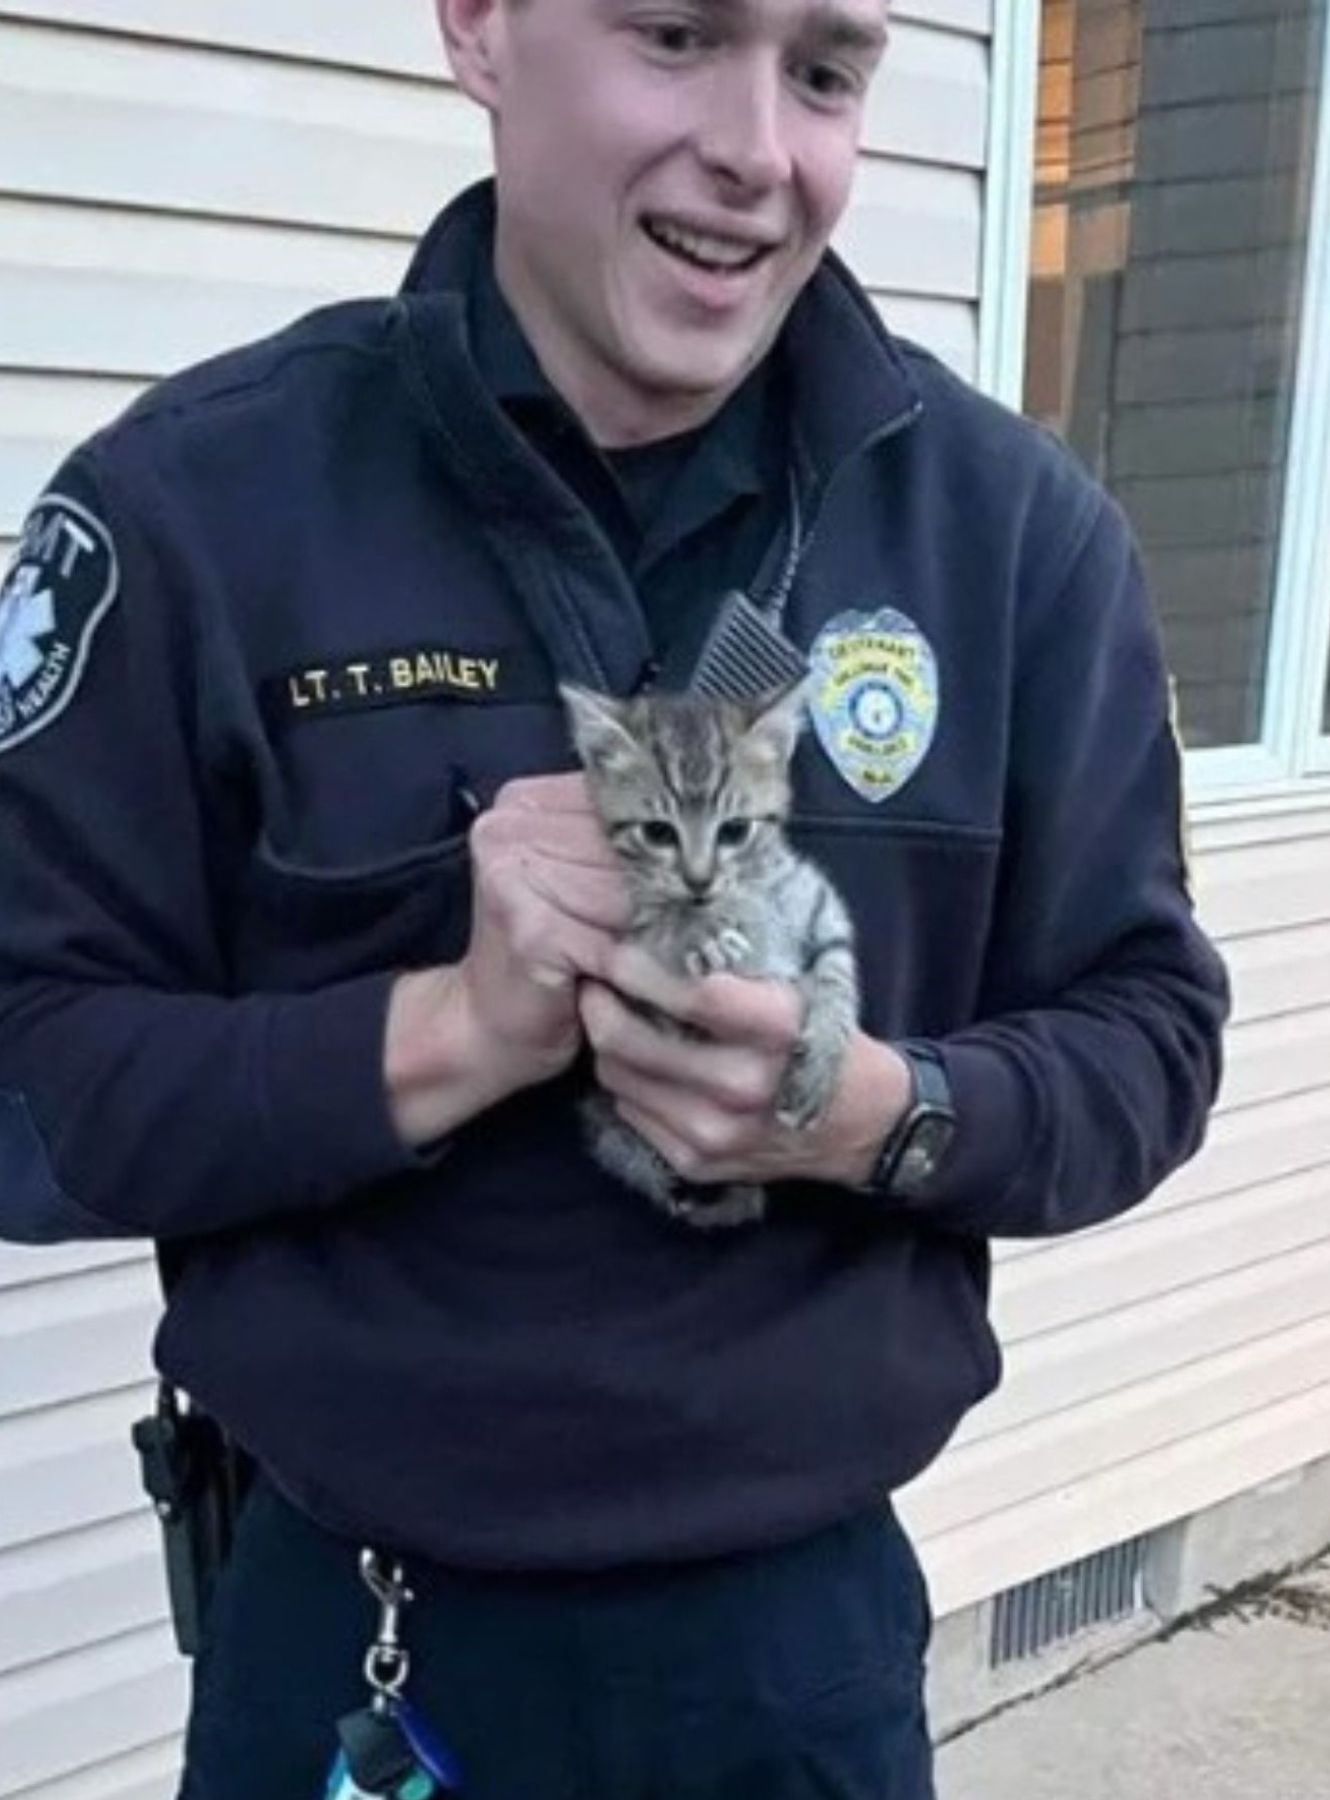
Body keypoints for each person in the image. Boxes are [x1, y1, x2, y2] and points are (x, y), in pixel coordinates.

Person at [0, 0, 1230, 1794]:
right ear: (481, 29)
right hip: (348, 1641)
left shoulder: (1017, 547)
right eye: (675, 32)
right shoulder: (197, 512)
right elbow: (25, 1072)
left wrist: (873, 1111)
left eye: (825, 70)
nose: (757, 146)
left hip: (790, 1667)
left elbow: (1150, 1037)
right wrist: (446, 1032)